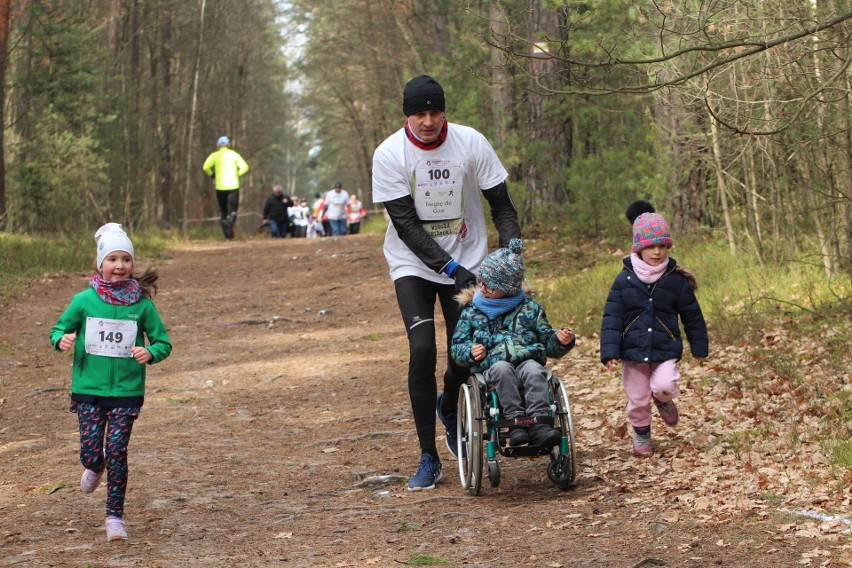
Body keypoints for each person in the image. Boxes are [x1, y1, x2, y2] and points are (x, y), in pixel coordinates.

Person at [372, 74, 521, 490]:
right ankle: (428, 456)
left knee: (465, 354)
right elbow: (406, 226)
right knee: (422, 349)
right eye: (420, 113)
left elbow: (502, 207)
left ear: (445, 112)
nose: (428, 120)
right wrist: (451, 269)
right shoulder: (389, 154)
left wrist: (510, 250)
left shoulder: (472, 143)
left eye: (435, 111)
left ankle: (450, 406)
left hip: (470, 259)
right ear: (407, 115)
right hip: (414, 266)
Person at [49, 223, 172, 541]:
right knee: (92, 453)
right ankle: (94, 465)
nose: (120, 265)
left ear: (132, 264)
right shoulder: (83, 301)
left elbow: (163, 342)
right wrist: (62, 340)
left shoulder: (142, 305)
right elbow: (58, 329)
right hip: (88, 389)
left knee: (117, 450)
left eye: (126, 259)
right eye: (113, 259)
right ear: (100, 264)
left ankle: (114, 517)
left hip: (127, 392)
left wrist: (150, 352)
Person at [600, 212, 708, 455]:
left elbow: (692, 315)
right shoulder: (624, 280)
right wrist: (610, 350)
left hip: (664, 348)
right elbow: (612, 317)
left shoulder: (675, 280)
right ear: (639, 248)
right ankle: (642, 436)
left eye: (662, 246)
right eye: (650, 246)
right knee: (638, 398)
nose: (657, 252)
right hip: (633, 351)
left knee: (664, 385)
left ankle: (663, 399)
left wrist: (699, 347)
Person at [450, 239, 575, 448]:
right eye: (482, 282)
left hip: (527, 359)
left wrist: (560, 341)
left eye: (490, 285)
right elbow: (458, 345)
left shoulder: (530, 309)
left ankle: (540, 424)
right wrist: (470, 352)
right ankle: (515, 422)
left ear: (508, 288)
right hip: (492, 364)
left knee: (536, 371)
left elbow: (547, 342)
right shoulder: (472, 311)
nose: (483, 287)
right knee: (502, 369)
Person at [202, 135, 250, 240]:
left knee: (223, 211)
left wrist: (212, 175)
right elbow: (245, 167)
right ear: (229, 145)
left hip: (220, 187)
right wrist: (237, 173)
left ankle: (227, 236)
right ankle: (230, 222)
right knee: (233, 210)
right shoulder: (234, 155)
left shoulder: (214, 156)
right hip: (233, 186)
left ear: (218, 145)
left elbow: (205, 167)